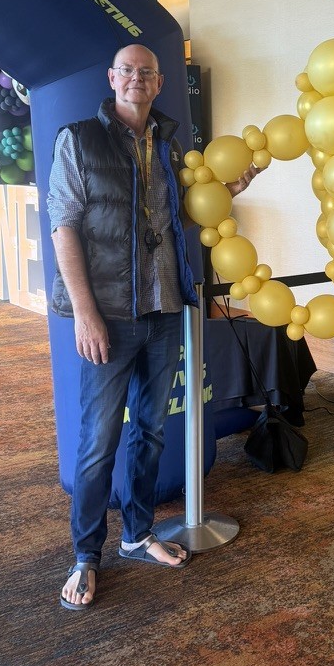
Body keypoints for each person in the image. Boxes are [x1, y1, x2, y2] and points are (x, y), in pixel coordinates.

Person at [47, 44, 259, 610]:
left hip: (166, 310)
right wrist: (85, 314)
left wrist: (226, 195)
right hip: (109, 317)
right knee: (97, 445)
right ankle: (85, 556)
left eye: (147, 72)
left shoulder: (168, 144)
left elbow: (176, 217)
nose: (136, 79)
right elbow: (63, 228)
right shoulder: (79, 140)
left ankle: (137, 536)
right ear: (111, 77)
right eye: (127, 71)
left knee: (151, 431)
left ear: (160, 82)